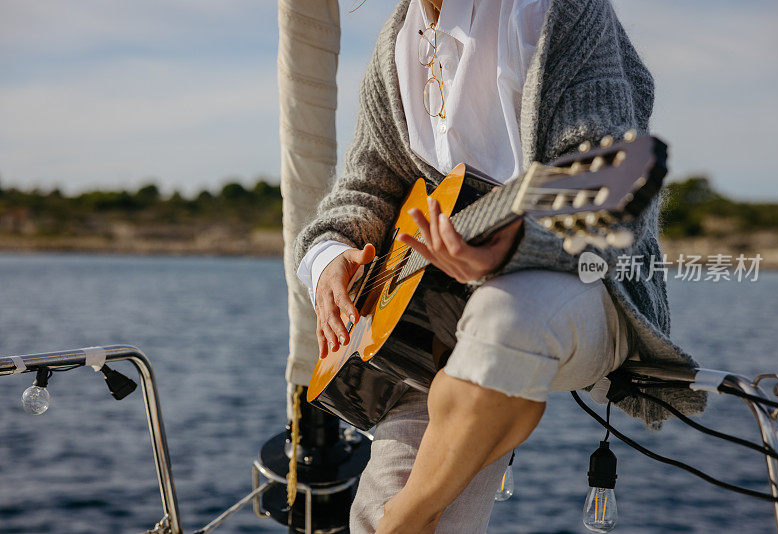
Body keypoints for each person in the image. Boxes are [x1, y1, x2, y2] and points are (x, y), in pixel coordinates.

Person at [295, 0, 706, 532]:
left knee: (504, 314)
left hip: (584, 283)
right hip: (437, 323)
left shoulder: (554, 13)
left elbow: (604, 187)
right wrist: (331, 257)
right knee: (371, 508)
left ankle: (408, 516)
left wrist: (511, 249)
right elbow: (364, 189)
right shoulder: (399, 39)